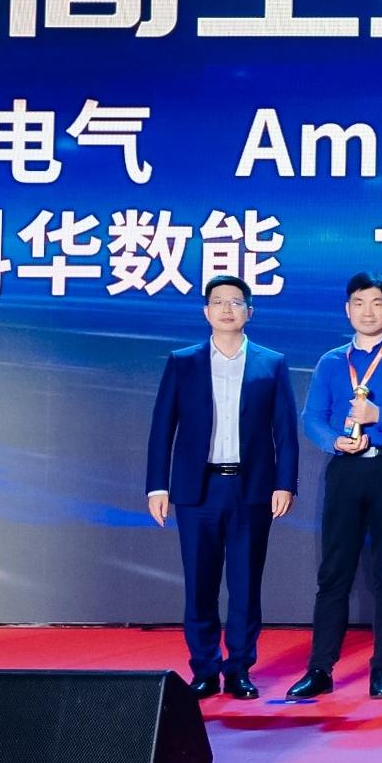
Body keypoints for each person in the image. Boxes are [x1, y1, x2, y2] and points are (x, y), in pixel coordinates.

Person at [143, 275, 298, 700]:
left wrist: (285, 483)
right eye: (218, 301)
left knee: (245, 585)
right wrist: (157, 486)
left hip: (252, 489)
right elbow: (162, 428)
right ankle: (205, 669)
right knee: (200, 584)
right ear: (206, 311)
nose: (227, 309)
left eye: (235, 302)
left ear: (250, 311)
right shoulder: (183, 362)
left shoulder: (271, 363)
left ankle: (240, 668)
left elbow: (285, 430)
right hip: (198, 490)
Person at [295, 272, 382, 700]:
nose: (368, 311)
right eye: (359, 303)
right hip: (346, 470)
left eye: (376, 303)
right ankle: (320, 668)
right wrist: (332, 440)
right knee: (333, 573)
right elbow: (312, 417)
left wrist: (379, 416)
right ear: (347, 309)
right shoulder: (332, 361)